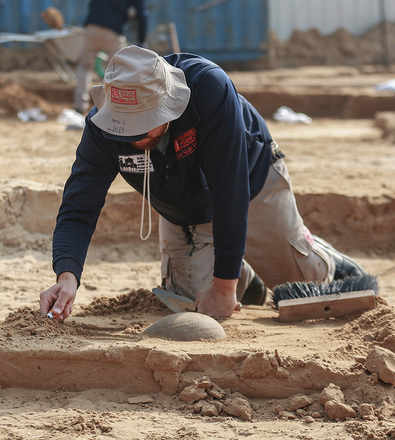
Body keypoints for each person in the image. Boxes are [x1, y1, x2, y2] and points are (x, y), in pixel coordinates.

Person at [40, 45, 367, 321]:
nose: (135, 137)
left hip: (250, 181)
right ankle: (244, 279)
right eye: (124, 128)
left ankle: (326, 262)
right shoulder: (101, 126)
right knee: (192, 305)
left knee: (300, 288)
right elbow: (79, 206)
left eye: (143, 126)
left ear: (168, 107)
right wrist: (67, 276)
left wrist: (223, 288)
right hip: (179, 203)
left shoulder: (209, 89)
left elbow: (230, 191)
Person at [73, 0, 149, 113]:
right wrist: (142, 41)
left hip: (91, 28)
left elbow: (93, 3)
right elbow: (142, 16)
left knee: (84, 67)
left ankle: (79, 106)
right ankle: (115, 108)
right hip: (113, 33)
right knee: (119, 71)